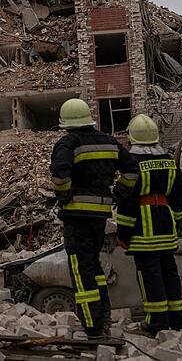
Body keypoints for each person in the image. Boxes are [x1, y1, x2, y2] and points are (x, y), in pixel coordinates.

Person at [49, 98, 138, 338]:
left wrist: (64, 196)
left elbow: (59, 174)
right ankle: (104, 317)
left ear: (66, 123)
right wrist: (118, 194)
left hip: (77, 216)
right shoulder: (109, 142)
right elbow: (132, 170)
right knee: (94, 266)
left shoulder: (68, 143)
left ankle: (92, 326)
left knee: (81, 269)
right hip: (100, 215)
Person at [113, 114, 182, 334]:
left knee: (150, 276)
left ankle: (155, 323)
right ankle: (177, 320)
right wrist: (176, 223)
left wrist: (123, 235)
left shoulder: (132, 163)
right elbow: (178, 198)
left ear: (132, 137)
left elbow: (128, 204)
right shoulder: (170, 161)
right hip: (166, 226)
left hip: (144, 231)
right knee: (170, 273)